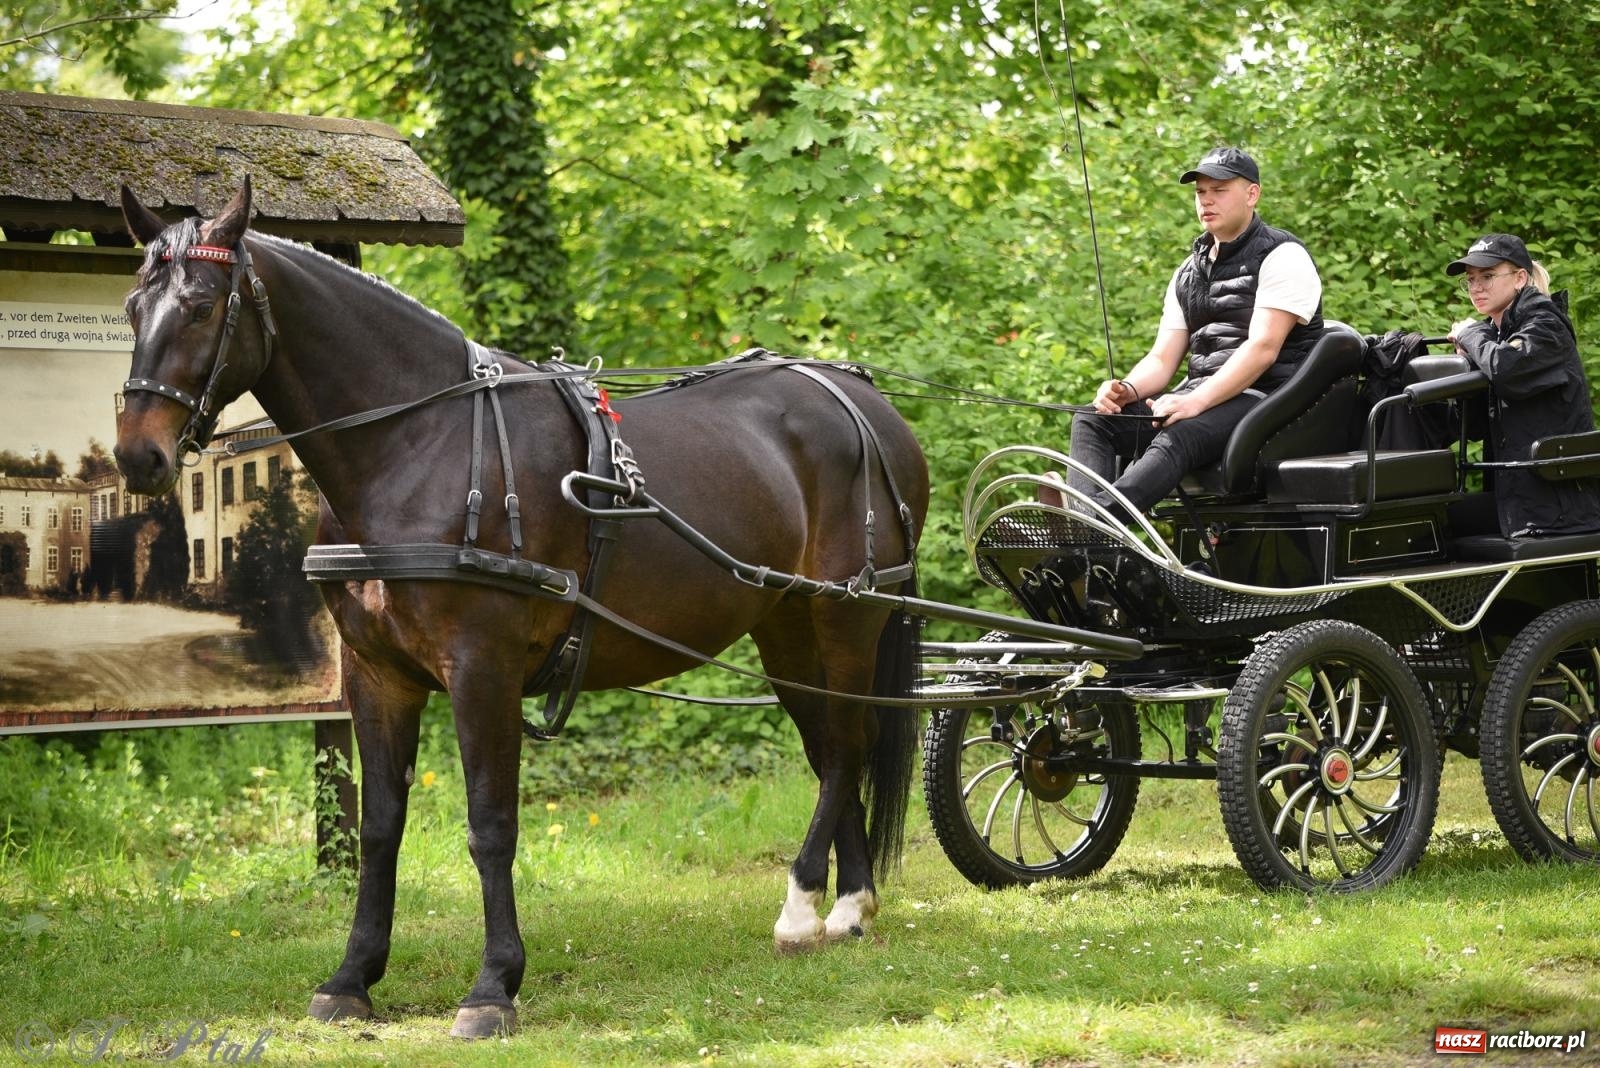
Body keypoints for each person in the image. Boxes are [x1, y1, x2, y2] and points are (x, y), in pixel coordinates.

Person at [1063, 146, 1324, 516]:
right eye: (1201, 192)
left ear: (1252, 194)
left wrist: (1194, 402)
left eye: (1219, 190)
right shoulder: (1189, 270)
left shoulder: (1283, 255)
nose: (1207, 201)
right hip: (1202, 396)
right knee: (1093, 419)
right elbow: (1162, 357)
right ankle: (1087, 529)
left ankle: (1089, 529)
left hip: (1267, 399)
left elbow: (1263, 348)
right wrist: (1126, 390)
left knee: (1178, 436)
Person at [1446, 233, 1600, 537]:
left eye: (1487, 276)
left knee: (1431, 527)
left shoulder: (1547, 327)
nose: (1476, 287)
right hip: (1520, 499)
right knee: (1421, 513)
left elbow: (1507, 369)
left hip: (1560, 506)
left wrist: (1471, 336)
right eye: (1470, 279)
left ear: (1519, 278)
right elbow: (1473, 426)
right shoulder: (1497, 337)